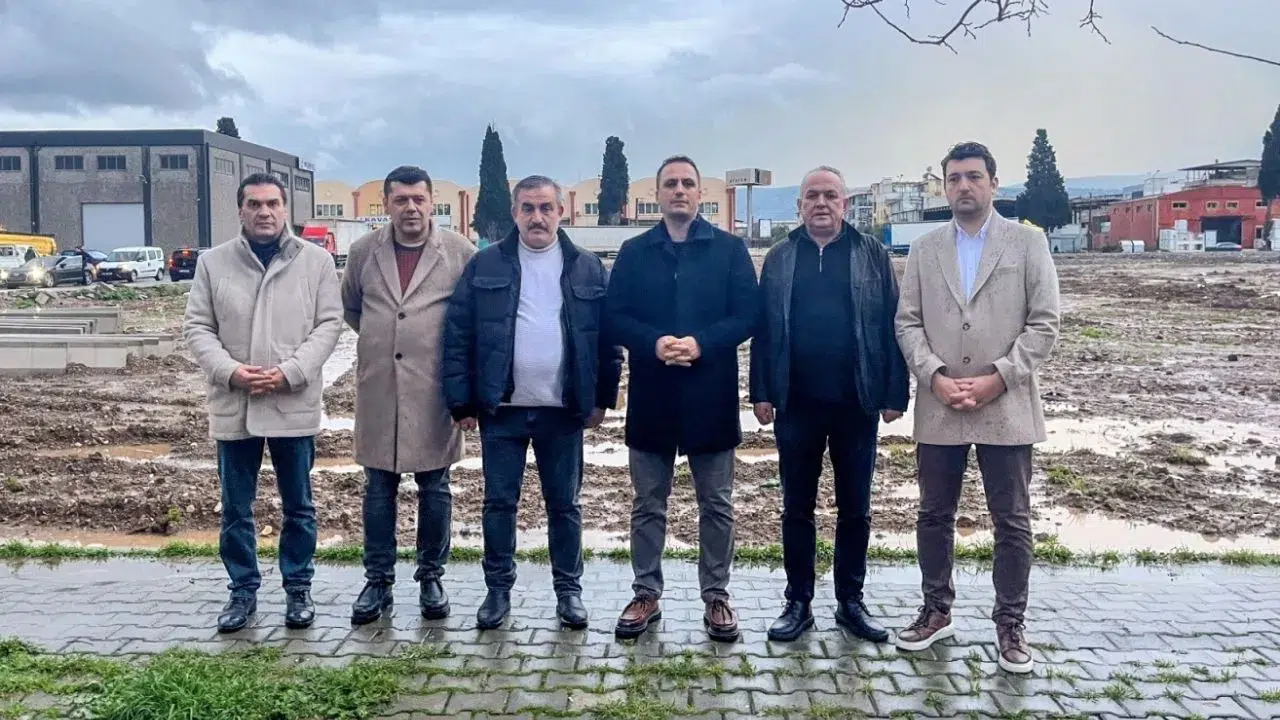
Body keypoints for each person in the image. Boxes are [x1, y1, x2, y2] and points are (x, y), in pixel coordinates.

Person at [893, 142, 1061, 673]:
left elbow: (1045, 323)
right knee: (933, 514)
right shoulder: (925, 249)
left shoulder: (1028, 242)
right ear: (944, 187)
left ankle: (1010, 623)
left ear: (993, 183)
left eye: (973, 176)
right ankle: (936, 610)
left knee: (1011, 520)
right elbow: (907, 322)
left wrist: (999, 378)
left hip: (1006, 404)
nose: (963, 186)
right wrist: (934, 376)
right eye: (954, 178)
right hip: (940, 403)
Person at [443, 175, 622, 630]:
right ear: (515, 213)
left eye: (545, 208)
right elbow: (459, 334)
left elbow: (607, 340)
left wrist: (602, 399)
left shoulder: (587, 267)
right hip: (501, 411)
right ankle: (498, 591)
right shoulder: (485, 264)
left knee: (564, 506)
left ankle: (569, 592)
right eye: (528, 208)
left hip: (563, 411)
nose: (537, 217)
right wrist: (461, 401)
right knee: (499, 504)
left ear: (561, 212)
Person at [750, 166, 909, 643]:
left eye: (830, 196)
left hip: (856, 402)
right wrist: (761, 391)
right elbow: (765, 329)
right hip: (795, 403)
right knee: (795, 508)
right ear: (799, 205)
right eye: (812, 196)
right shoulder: (780, 257)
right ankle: (798, 602)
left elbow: (893, 323)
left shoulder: (871, 253)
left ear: (844, 203)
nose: (821, 203)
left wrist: (894, 392)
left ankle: (850, 602)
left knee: (855, 508)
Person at [605, 155, 759, 643]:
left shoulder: (729, 250)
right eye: (670, 183)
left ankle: (716, 596)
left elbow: (748, 316)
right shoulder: (634, 252)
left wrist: (701, 343)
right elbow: (614, 317)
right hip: (652, 395)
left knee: (717, 504)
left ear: (699, 194)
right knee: (647, 503)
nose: (678, 190)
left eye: (687, 183)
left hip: (710, 394)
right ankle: (645, 593)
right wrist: (652, 343)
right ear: (657, 194)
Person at [183, 172, 343, 633]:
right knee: (236, 508)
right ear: (241, 210)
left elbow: (329, 324)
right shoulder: (214, 263)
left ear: (285, 208)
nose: (264, 212)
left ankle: (298, 588)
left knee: (299, 506)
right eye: (254, 204)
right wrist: (230, 371)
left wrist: (291, 371)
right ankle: (242, 591)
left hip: (292, 402)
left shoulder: (315, 262)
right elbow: (197, 327)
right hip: (235, 404)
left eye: (272, 203)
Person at [340, 166, 477, 625]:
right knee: (378, 487)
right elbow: (353, 307)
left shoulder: (459, 252)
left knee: (435, 487)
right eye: (401, 200)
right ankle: (377, 580)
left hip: (434, 390)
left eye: (419, 199)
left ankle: (431, 576)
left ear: (432, 201)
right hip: (380, 388)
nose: (411, 208)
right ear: (386, 204)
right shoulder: (363, 252)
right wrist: (387, 342)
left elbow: (472, 319)